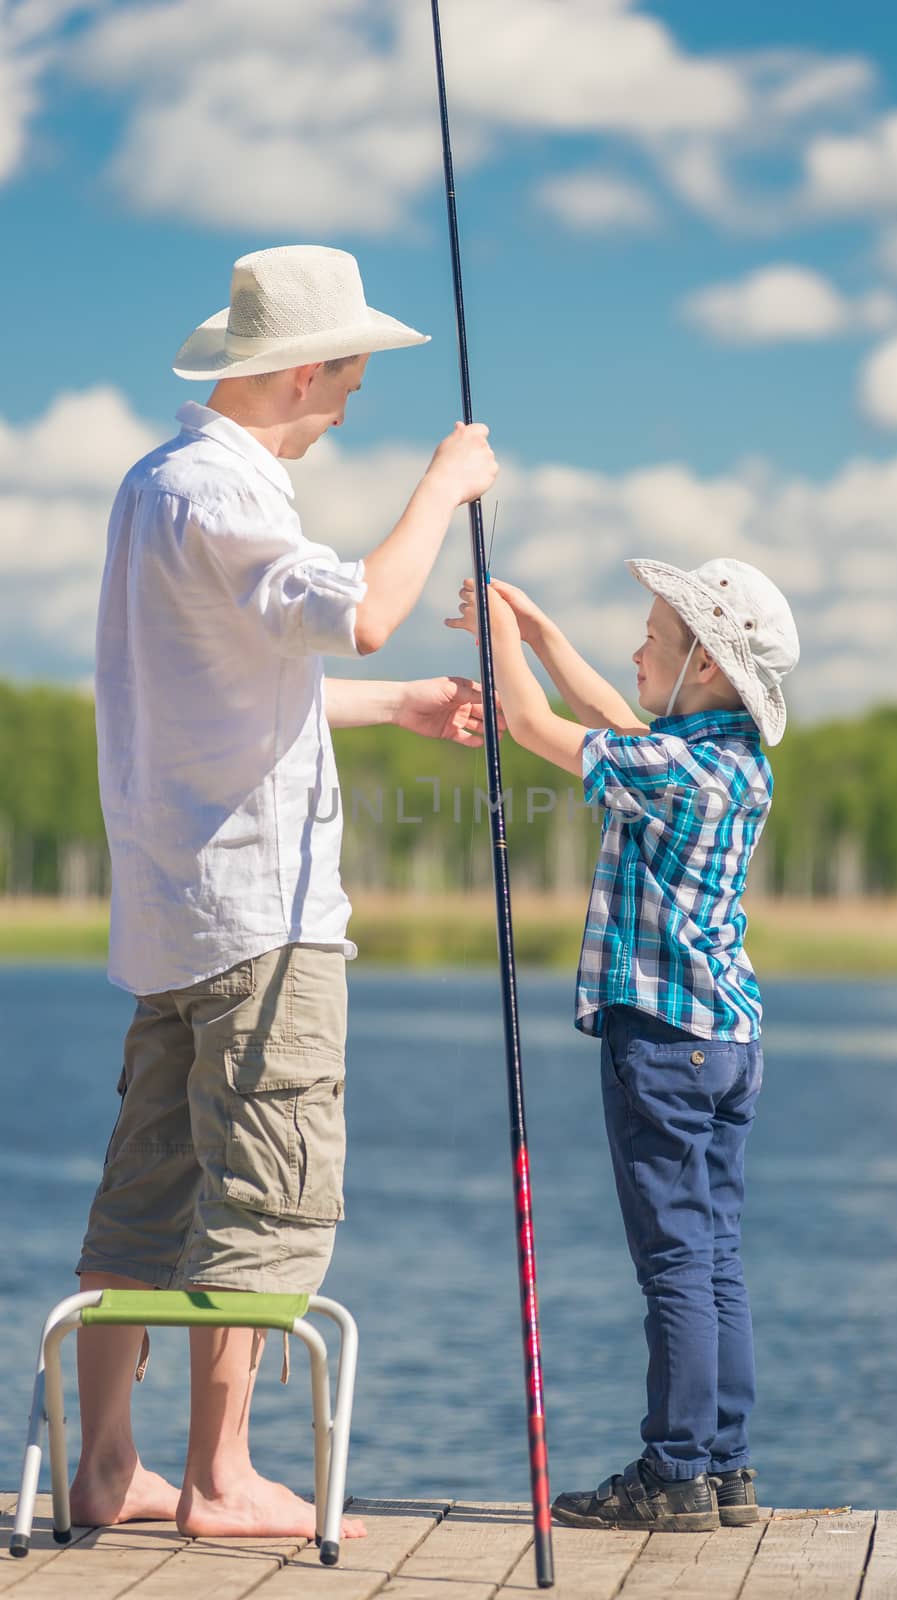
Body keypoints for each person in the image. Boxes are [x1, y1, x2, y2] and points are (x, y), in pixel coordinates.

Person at [74, 244, 498, 1541]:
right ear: (305, 372)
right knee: (272, 1192)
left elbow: (236, 684)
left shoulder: (158, 485)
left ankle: (104, 1471)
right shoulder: (236, 495)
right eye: (355, 381)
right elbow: (362, 608)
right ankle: (222, 1480)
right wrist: (447, 483)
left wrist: (402, 709)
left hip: (169, 918)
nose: (357, 403)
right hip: (264, 919)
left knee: (147, 1193)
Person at [447, 556, 798, 1532]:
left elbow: (541, 728)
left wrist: (500, 644)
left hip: (665, 1043)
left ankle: (675, 1469)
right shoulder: (726, 764)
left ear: (709, 670)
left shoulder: (677, 770)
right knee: (716, 1256)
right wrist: (539, 627)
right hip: (729, 1039)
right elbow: (610, 717)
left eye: (657, 635)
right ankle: (724, 1465)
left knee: (676, 1263)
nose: (638, 646)